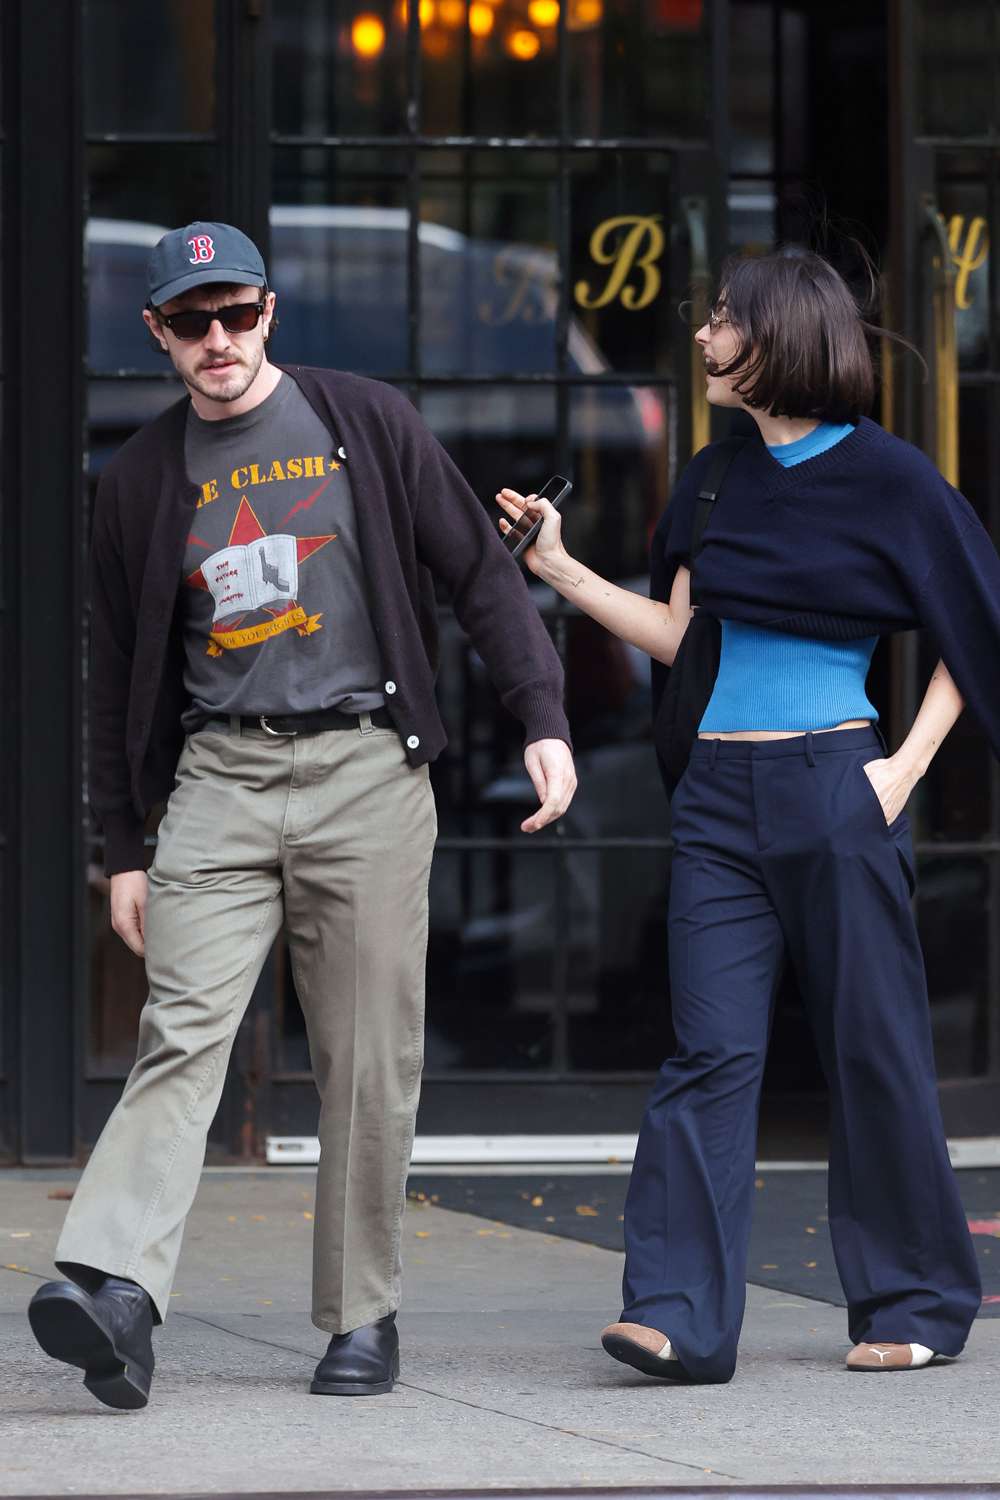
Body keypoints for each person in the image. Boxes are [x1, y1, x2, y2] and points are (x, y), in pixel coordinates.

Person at [28, 221, 576, 1409]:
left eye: (235, 314)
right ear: (159, 334)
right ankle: (117, 1289)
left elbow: (478, 579)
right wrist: (124, 846)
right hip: (218, 781)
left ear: (270, 314)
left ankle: (360, 1317)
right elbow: (113, 667)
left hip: (367, 771)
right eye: (190, 322)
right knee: (182, 1028)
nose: (216, 341)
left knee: (367, 1057)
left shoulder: (361, 421)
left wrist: (541, 713)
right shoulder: (137, 479)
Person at [497, 247, 999, 1383]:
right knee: (706, 1054)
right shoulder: (711, 481)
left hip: (838, 784)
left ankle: (914, 1299)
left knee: (870, 1047)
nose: (704, 338)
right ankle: (676, 1314)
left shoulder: (891, 479)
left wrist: (905, 768)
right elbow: (683, 643)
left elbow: (976, 632)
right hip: (718, 799)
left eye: (722, 322)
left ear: (778, 339)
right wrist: (560, 568)